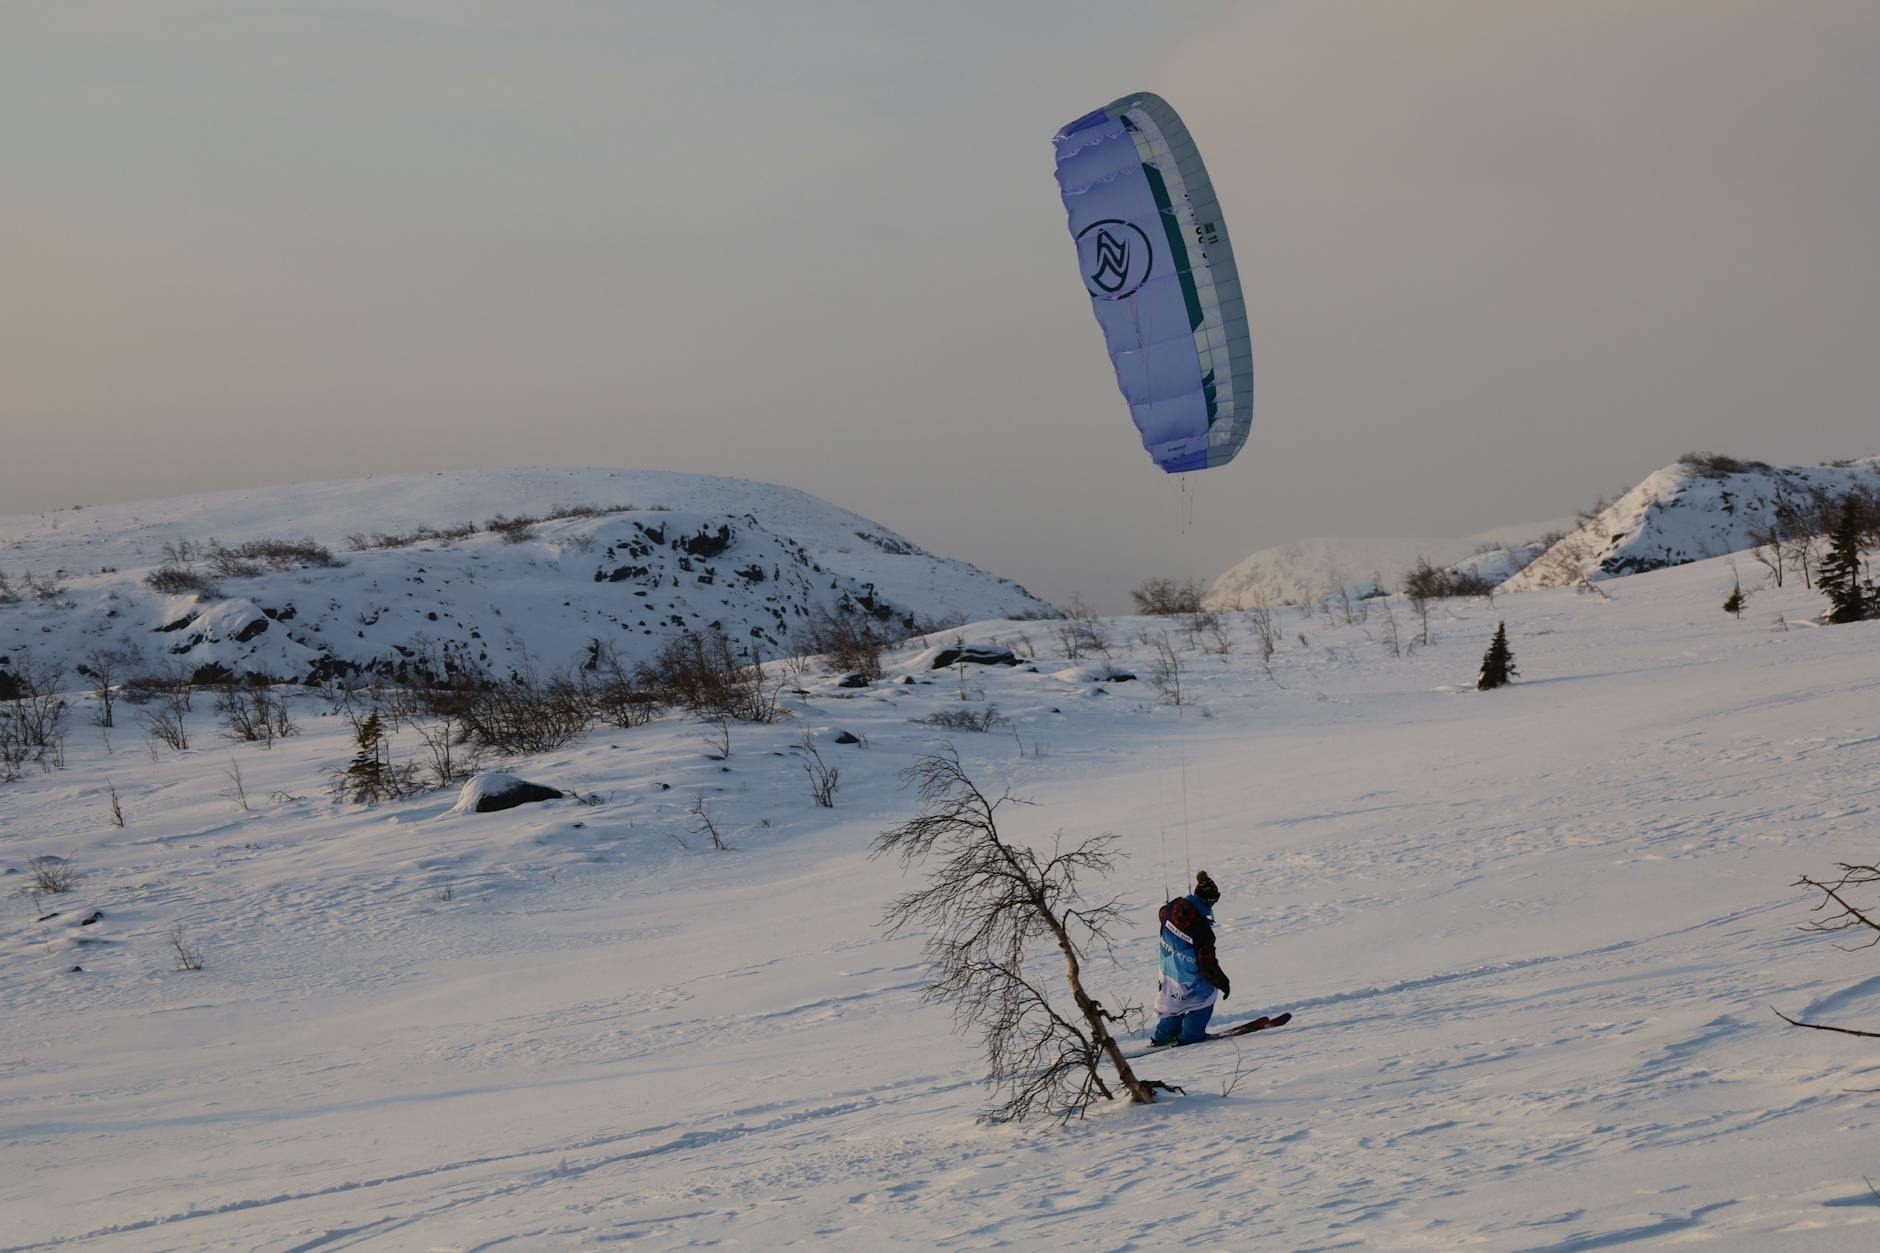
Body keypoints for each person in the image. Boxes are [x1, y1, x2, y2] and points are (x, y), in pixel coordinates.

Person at [1150, 870, 1230, 1046]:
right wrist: (1223, 982)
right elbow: (1207, 963)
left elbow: (1162, 914)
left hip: (1169, 971)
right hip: (1190, 977)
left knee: (1172, 1002)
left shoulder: (1170, 909)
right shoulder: (1202, 930)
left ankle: (1163, 1037)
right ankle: (1190, 1037)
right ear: (1209, 901)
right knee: (1203, 999)